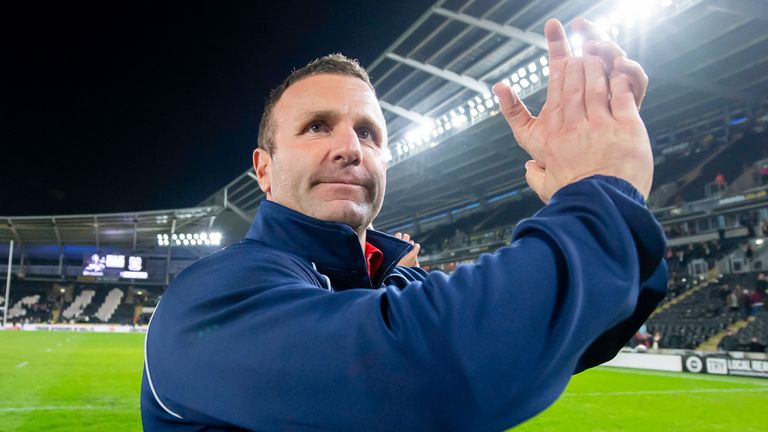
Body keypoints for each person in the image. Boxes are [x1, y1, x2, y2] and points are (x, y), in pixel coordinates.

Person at [141, 18, 667, 431]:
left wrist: (615, 207)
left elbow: (585, 328)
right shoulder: (210, 300)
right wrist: (602, 195)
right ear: (264, 170)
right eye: (316, 126)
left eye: (368, 133)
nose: (349, 148)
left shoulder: (398, 283)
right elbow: (430, 365)